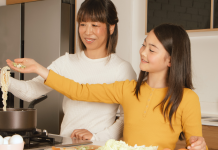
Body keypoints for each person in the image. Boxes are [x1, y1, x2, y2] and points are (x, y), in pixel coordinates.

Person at [7, 24, 207, 150]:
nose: (143, 52)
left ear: (171, 60)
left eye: (151, 49)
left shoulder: (187, 98)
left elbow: (195, 144)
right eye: (144, 44)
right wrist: (39, 69)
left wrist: (201, 146)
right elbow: (79, 90)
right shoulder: (128, 89)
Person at [1, 0, 136, 141]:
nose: (87, 32)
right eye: (83, 24)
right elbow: (30, 92)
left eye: (95, 25)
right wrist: (2, 77)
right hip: (65, 144)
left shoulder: (122, 69)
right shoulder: (66, 62)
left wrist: (96, 137)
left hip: (98, 146)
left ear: (111, 27)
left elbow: (127, 118)